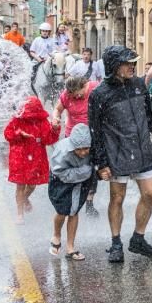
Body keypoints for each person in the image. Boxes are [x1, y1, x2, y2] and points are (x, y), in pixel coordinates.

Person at [89, 45, 152, 262]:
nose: (132, 66)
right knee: (117, 198)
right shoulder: (99, 95)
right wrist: (101, 163)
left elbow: (150, 113)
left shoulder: (138, 85)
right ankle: (116, 243)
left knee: (151, 193)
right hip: (117, 154)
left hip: (142, 149)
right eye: (127, 63)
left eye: (133, 62)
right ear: (114, 66)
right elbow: (95, 132)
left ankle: (138, 239)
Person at [52, 67, 101, 217]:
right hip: (72, 135)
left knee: (91, 167)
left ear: (83, 86)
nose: (75, 97)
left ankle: (89, 201)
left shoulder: (94, 88)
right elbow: (57, 109)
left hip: (91, 134)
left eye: (77, 94)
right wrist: (55, 118)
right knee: (71, 165)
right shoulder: (67, 95)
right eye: (72, 95)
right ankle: (69, 195)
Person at [4, 96, 60, 224]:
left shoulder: (42, 121)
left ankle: (24, 199)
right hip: (20, 156)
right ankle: (19, 214)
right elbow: (7, 134)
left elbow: (48, 140)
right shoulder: (17, 120)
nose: (32, 117)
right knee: (20, 184)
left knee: (32, 184)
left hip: (36, 157)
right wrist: (19, 134)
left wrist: (55, 129)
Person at [47, 124, 96, 261]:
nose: (83, 153)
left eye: (86, 149)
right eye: (78, 150)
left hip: (81, 182)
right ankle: (56, 235)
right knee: (62, 211)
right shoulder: (63, 151)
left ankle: (70, 247)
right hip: (61, 181)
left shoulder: (93, 148)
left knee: (74, 211)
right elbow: (59, 172)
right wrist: (86, 171)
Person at [29, 22, 56, 87]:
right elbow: (32, 52)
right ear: (40, 31)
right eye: (43, 31)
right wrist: (38, 58)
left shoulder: (52, 40)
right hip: (37, 60)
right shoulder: (36, 40)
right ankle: (31, 85)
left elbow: (54, 52)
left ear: (49, 32)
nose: (45, 32)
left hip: (48, 61)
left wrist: (48, 58)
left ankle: (55, 85)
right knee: (30, 72)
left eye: (46, 31)